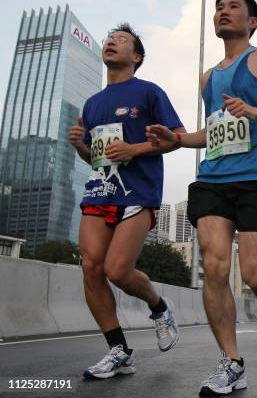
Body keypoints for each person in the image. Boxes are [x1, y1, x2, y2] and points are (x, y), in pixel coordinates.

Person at [146, 0, 257, 397]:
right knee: (215, 269)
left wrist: (254, 110)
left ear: (251, 21)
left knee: (254, 274)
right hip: (214, 180)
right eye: (218, 8)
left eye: (233, 6)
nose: (223, 12)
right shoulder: (207, 78)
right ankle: (232, 363)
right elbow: (214, 133)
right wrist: (177, 139)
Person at [68, 23, 186, 380]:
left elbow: (178, 138)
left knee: (116, 270)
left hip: (139, 192)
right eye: (109, 39)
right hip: (101, 191)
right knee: (91, 266)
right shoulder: (92, 103)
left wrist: (134, 148)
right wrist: (80, 146)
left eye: (120, 41)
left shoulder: (149, 93)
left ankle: (159, 306)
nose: (110, 43)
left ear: (135, 57)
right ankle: (118, 350)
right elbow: (98, 159)